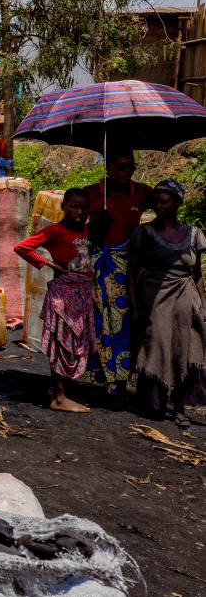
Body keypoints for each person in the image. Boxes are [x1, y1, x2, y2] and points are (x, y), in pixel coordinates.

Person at [128, 180, 206, 426]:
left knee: (185, 349)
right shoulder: (145, 232)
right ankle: (154, 404)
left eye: (164, 202)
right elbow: (132, 272)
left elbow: (197, 273)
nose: (157, 206)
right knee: (157, 347)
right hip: (154, 299)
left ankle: (181, 406)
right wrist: (135, 306)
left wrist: (202, 303)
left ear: (178, 204)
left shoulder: (193, 234)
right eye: (155, 202)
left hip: (186, 299)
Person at [13, 187, 95, 413]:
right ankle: (58, 397)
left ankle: (65, 391)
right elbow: (22, 247)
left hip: (82, 293)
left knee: (75, 344)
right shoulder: (54, 231)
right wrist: (47, 263)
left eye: (85, 208)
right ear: (63, 207)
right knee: (60, 343)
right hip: (63, 295)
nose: (80, 212)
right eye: (75, 207)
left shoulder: (86, 229)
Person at [81, 152, 151, 400]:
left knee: (121, 324)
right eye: (121, 167)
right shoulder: (91, 193)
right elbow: (71, 223)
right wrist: (93, 226)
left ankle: (119, 380)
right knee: (96, 322)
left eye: (131, 167)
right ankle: (97, 377)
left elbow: (165, 211)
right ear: (108, 166)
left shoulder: (142, 192)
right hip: (96, 267)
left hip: (126, 269)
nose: (127, 171)